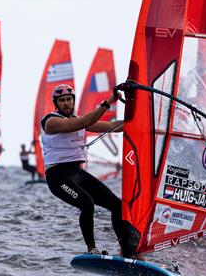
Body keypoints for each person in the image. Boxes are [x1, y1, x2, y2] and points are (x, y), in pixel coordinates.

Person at [41, 84, 140, 257]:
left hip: (77, 173)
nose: (66, 103)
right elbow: (84, 122)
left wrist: (139, 118)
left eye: (68, 99)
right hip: (58, 177)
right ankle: (92, 249)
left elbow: (114, 126)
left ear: (73, 100)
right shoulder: (50, 122)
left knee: (117, 205)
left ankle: (128, 251)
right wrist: (110, 101)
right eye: (62, 100)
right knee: (87, 203)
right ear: (56, 103)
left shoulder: (78, 119)